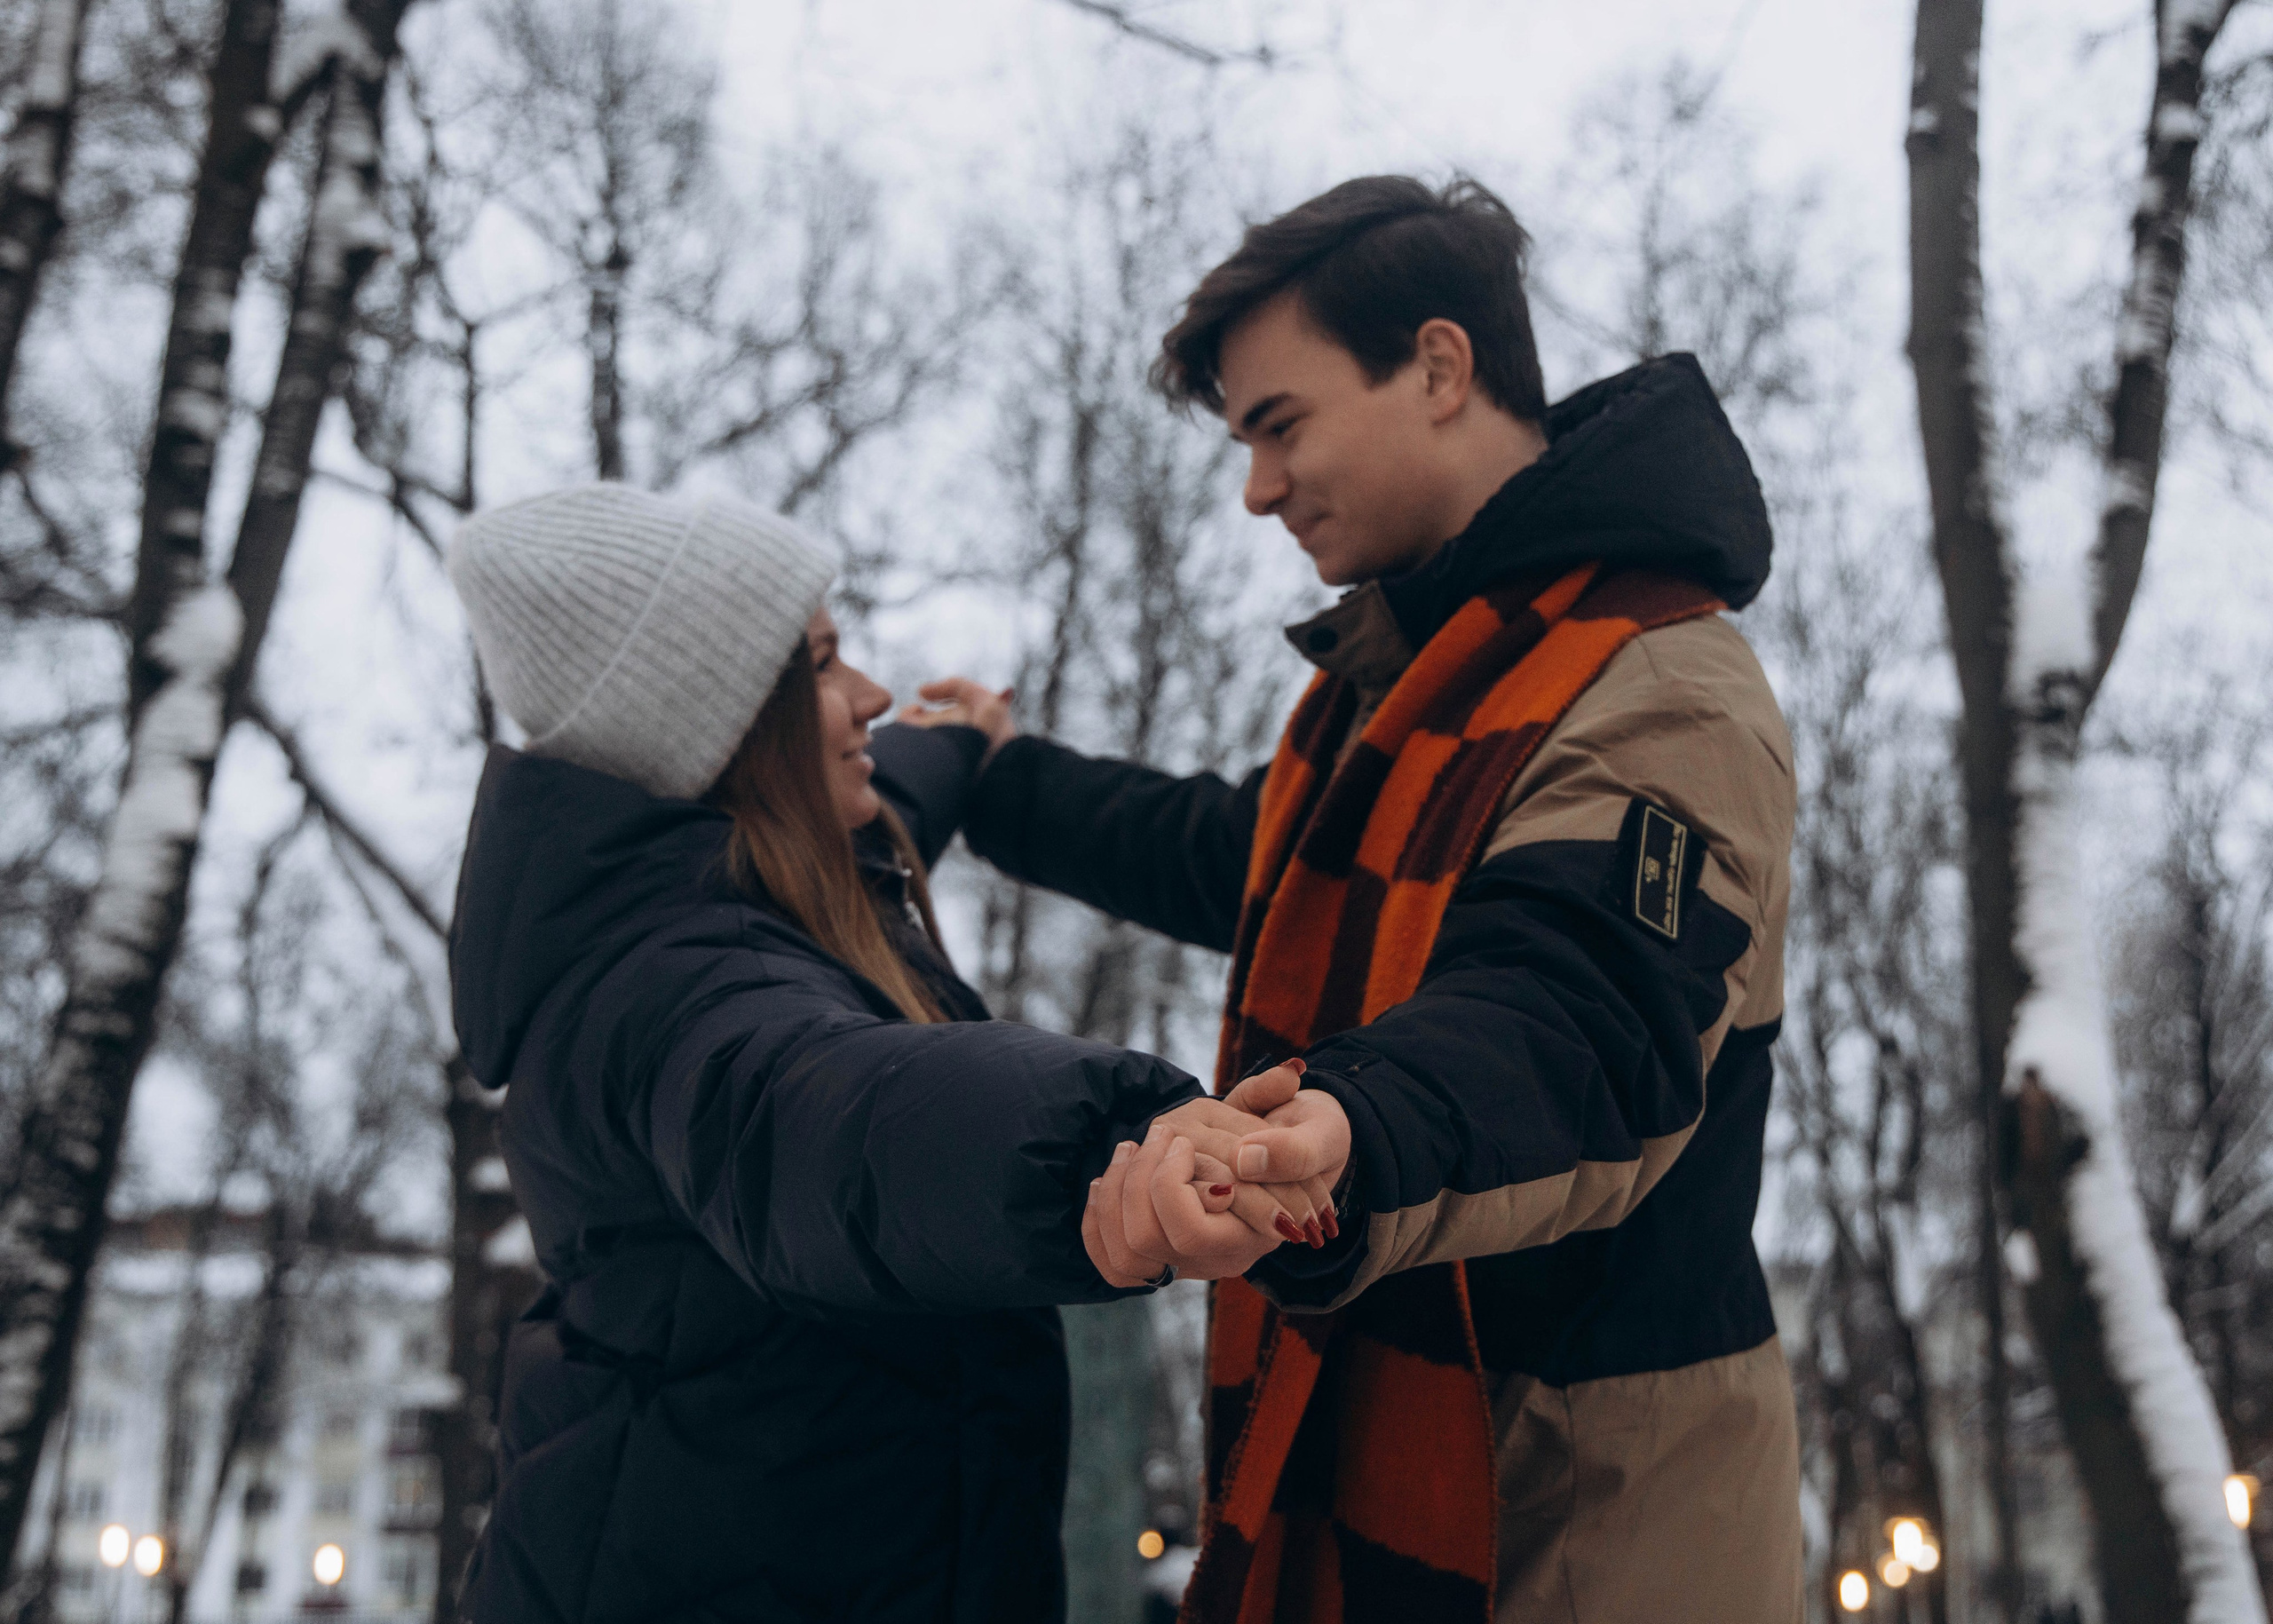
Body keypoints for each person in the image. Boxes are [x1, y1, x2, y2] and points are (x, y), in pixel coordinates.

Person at [915, 176, 1803, 1622]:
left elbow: (1579, 1011)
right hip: (1411, 1463)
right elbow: (1244, 858)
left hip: (1588, 1513)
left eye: (1281, 424)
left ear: (1440, 368)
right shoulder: (1399, 699)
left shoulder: (1659, 683)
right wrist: (1003, 780)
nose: (1259, 488)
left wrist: (1347, 1126)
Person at [440, 484, 1323, 1624]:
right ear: (724, 728)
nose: (868, 694)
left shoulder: (762, 878)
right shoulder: (663, 986)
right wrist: (1110, 1141)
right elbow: (827, 1119)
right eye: (820, 664)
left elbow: (903, 777)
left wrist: (963, 742)